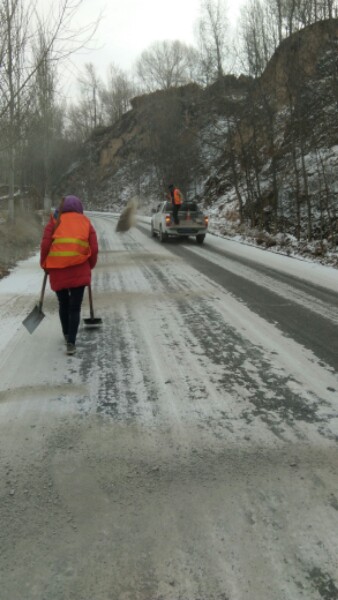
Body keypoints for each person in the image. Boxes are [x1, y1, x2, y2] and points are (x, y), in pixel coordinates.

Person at [40, 195, 98, 355]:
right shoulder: (85, 222)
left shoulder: (54, 221)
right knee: (75, 307)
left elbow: (45, 245)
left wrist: (44, 264)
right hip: (79, 269)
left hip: (58, 270)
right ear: (79, 207)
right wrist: (90, 265)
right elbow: (94, 246)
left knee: (63, 304)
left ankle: (66, 334)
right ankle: (71, 342)